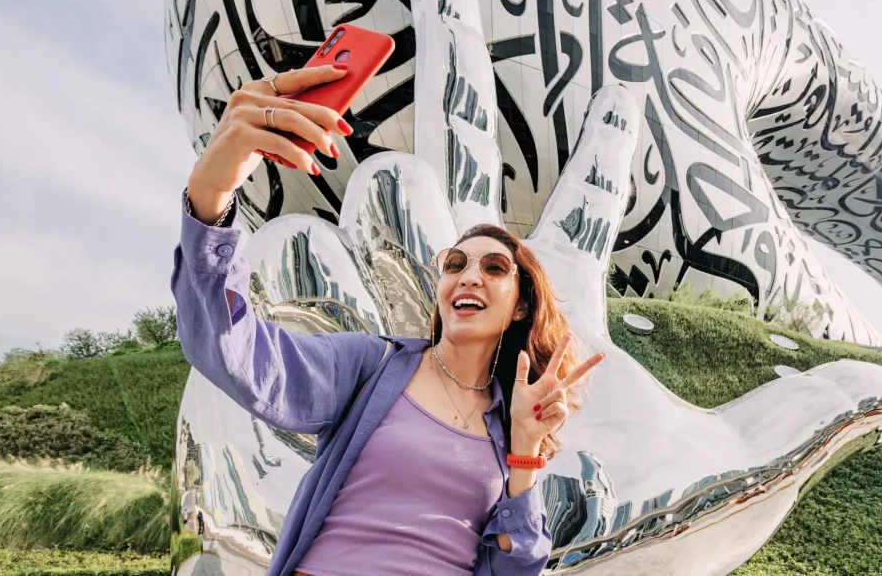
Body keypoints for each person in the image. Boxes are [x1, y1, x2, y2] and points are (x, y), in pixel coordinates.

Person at [172, 63, 605, 576]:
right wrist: (210, 200)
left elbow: (512, 570)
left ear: (522, 303)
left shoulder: (513, 421)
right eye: (454, 264)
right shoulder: (370, 366)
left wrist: (526, 454)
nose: (468, 276)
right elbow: (233, 352)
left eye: (494, 267)